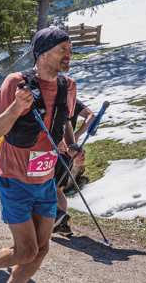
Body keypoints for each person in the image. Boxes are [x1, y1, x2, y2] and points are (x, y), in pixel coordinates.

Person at [0, 26, 78, 283]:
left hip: (45, 182)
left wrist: (70, 146)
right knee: (26, 251)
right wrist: (16, 107)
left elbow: (62, 123)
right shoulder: (16, 82)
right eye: (62, 49)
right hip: (14, 178)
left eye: (70, 49)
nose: (68, 55)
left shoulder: (68, 86)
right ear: (41, 54)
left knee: (41, 251)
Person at [53, 99, 95, 236]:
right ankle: (61, 223)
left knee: (49, 187)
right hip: (70, 150)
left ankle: (57, 221)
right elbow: (91, 116)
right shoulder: (73, 102)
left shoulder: (54, 100)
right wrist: (76, 136)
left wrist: (76, 135)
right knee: (57, 189)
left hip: (54, 149)